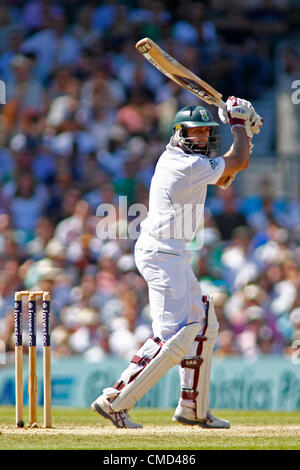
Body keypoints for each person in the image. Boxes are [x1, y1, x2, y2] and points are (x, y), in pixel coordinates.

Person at [91, 96, 263, 428]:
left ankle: (192, 408)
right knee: (174, 334)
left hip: (171, 253)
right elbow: (237, 162)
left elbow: (228, 174)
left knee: (203, 322)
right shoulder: (186, 165)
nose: (201, 138)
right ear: (178, 133)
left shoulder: (191, 163)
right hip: (161, 254)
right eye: (194, 132)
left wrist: (244, 133)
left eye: (206, 132)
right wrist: (240, 126)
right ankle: (115, 399)